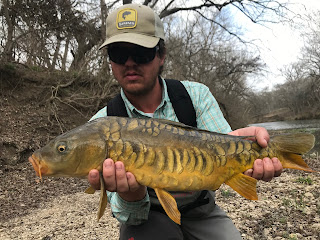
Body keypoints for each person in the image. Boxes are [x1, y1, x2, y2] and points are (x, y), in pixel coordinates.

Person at [88, 3, 283, 240]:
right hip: (148, 216)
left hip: (200, 210)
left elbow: (226, 147)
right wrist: (132, 196)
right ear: (110, 61)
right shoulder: (99, 126)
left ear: (161, 54)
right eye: (118, 54)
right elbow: (130, 217)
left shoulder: (195, 96)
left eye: (141, 52)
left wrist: (248, 146)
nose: (129, 63)